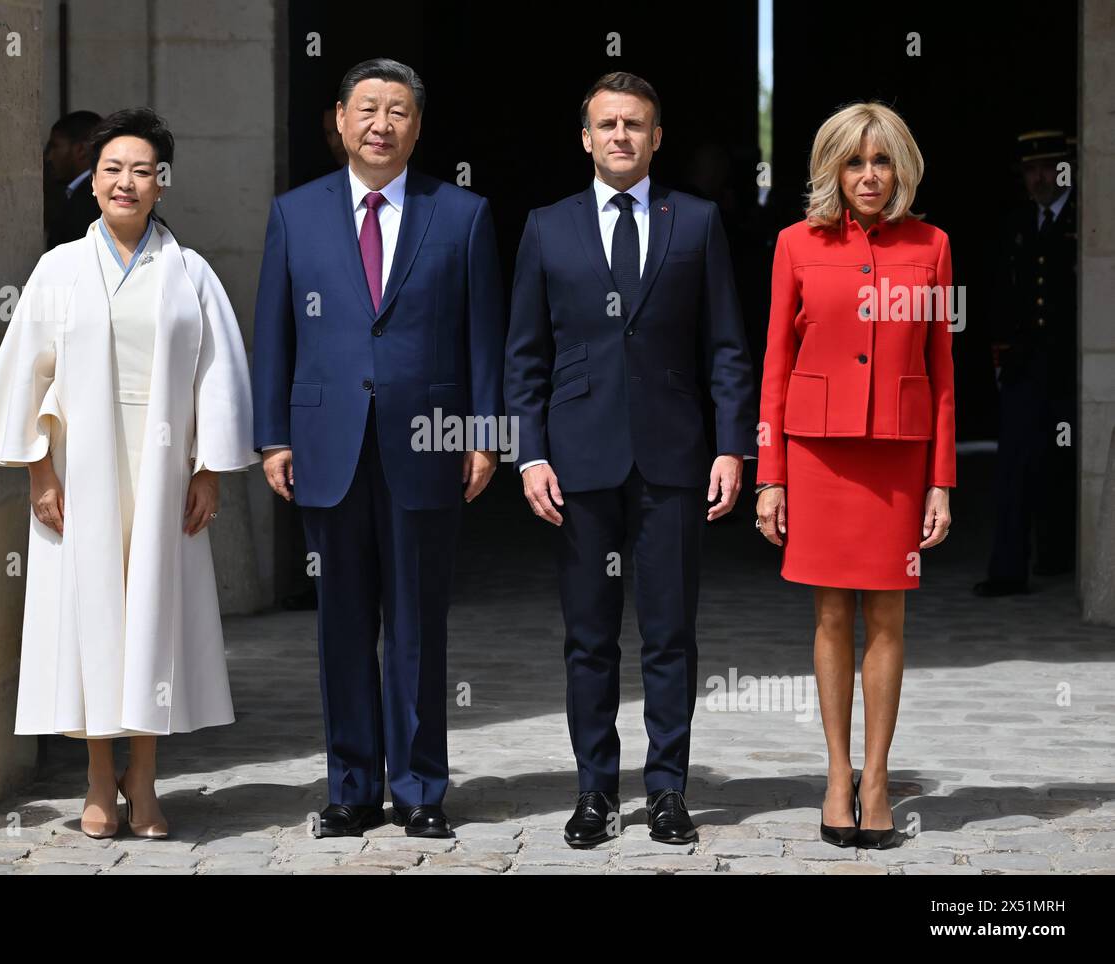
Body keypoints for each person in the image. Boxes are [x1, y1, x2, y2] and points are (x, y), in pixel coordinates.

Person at [0, 108, 257, 838]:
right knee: (91, 616)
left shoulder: (190, 273)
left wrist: (209, 472)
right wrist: (40, 477)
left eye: (142, 170)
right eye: (111, 170)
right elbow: (25, 382)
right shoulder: (58, 270)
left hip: (164, 474)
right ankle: (99, 778)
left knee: (153, 617)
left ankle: (146, 778)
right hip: (81, 470)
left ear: (162, 183)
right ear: (90, 184)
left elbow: (218, 380)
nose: (127, 182)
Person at [251, 59, 505, 839]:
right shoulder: (296, 214)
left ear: (417, 126)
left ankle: (422, 787)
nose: (381, 124)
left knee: (419, 625)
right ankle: (351, 787)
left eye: (398, 111)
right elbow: (274, 332)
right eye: (367, 108)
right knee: (342, 624)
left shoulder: (460, 213)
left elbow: (483, 338)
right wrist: (272, 436)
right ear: (339, 118)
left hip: (427, 444)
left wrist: (486, 436)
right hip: (327, 444)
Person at [505, 72, 758, 848]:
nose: (621, 135)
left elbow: (726, 346)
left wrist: (730, 444)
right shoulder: (547, 228)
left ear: (656, 138)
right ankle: (593, 792)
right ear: (585, 137)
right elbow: (525, 355)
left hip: (675, 459)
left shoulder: (699, 222)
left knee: (669, 632)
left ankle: (668, 791)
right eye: (607, 124)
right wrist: (528, 454)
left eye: (636, 124)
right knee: (588, 636)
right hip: (578, 462)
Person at [755, 102, 955, 849]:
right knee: (831, 615)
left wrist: (942, 480)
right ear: (831, 169)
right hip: (816, 453)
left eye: (881, 162)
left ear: (899, 168)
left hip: (899, 456)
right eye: (854, 162)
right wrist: (770, 474)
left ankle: (878, 779)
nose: (868, 176)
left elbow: (941, 372)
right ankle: (837, 776)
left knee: (890, 618)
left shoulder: (932, 245)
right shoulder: (794, 245)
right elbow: (775, 362)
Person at [974, 129, 1077, 596]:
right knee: (1013, 467)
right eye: (1030, 170)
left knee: (1060, 464)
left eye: (1047, 167)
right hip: (1024, 368)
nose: (1038, 178)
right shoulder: (1017, 223)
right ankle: (1009, 570)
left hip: (1070, 368)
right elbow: (1001, 293)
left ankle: (1057, 556)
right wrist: (1000, 355)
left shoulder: (1083, 219)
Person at [44, 110, 102, 250]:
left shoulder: (89, 200)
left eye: (55, 146)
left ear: (81, 150)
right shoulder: (82, 194)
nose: (49, 157)